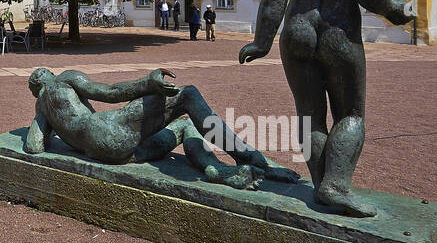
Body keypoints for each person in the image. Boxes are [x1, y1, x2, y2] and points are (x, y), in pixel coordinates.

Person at [239, 0, 413, 217]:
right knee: (350, 114)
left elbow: (272, 3)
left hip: (298, 29)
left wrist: (260, 43)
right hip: (339, 30)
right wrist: (397, 11)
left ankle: (323, 188)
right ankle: (335, 186)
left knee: (310, 115)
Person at [24, 67, 299, 189]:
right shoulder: (65, 79)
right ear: (47, 74)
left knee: (183, 126)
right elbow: (108, 92)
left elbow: (34, 148)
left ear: (36, 89)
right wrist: (148, 83)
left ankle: (217, 169)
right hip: (110, 131)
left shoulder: (42, 110)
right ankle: (250, 158)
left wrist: (43, 124)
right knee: (187, 94)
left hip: (111, 154)